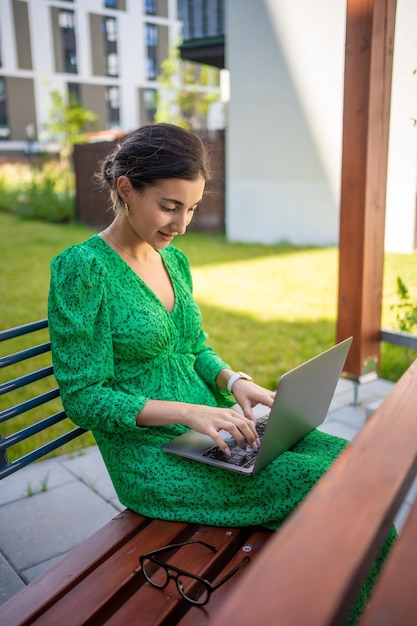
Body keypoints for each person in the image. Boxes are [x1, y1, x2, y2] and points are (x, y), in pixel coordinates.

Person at [48, 123, 394, 621]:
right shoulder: (82, 270)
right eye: (170, 206)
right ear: (126, 189)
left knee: (353, 465)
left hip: (211, 431)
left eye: (191, 208)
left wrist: (235, 383)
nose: (182, 223)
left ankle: (362, 607)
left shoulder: (175, 261)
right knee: (325, 490)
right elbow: (84, 397)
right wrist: (190, 412)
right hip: (152, 457)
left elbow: (194, 349)